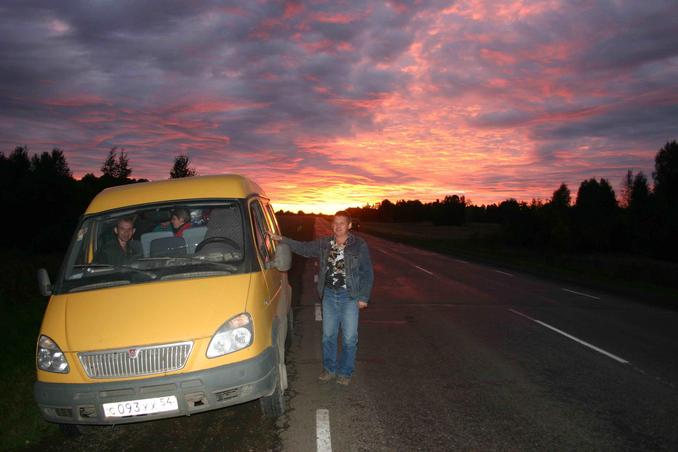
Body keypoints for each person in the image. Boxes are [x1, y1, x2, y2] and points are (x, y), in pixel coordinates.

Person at [269, 211, 373, 386]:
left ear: (349, 225)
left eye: (342, 223)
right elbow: (304, 248)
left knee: (349, 338)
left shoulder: (359, 245)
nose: (337, 226)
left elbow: (367, 272)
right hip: (329, 295)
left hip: (350, 297)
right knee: (328, 336)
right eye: (335, 223)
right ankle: (329, 370)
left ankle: (345, 372)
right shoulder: (325, 243)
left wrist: (363, 297)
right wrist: (281, 239)